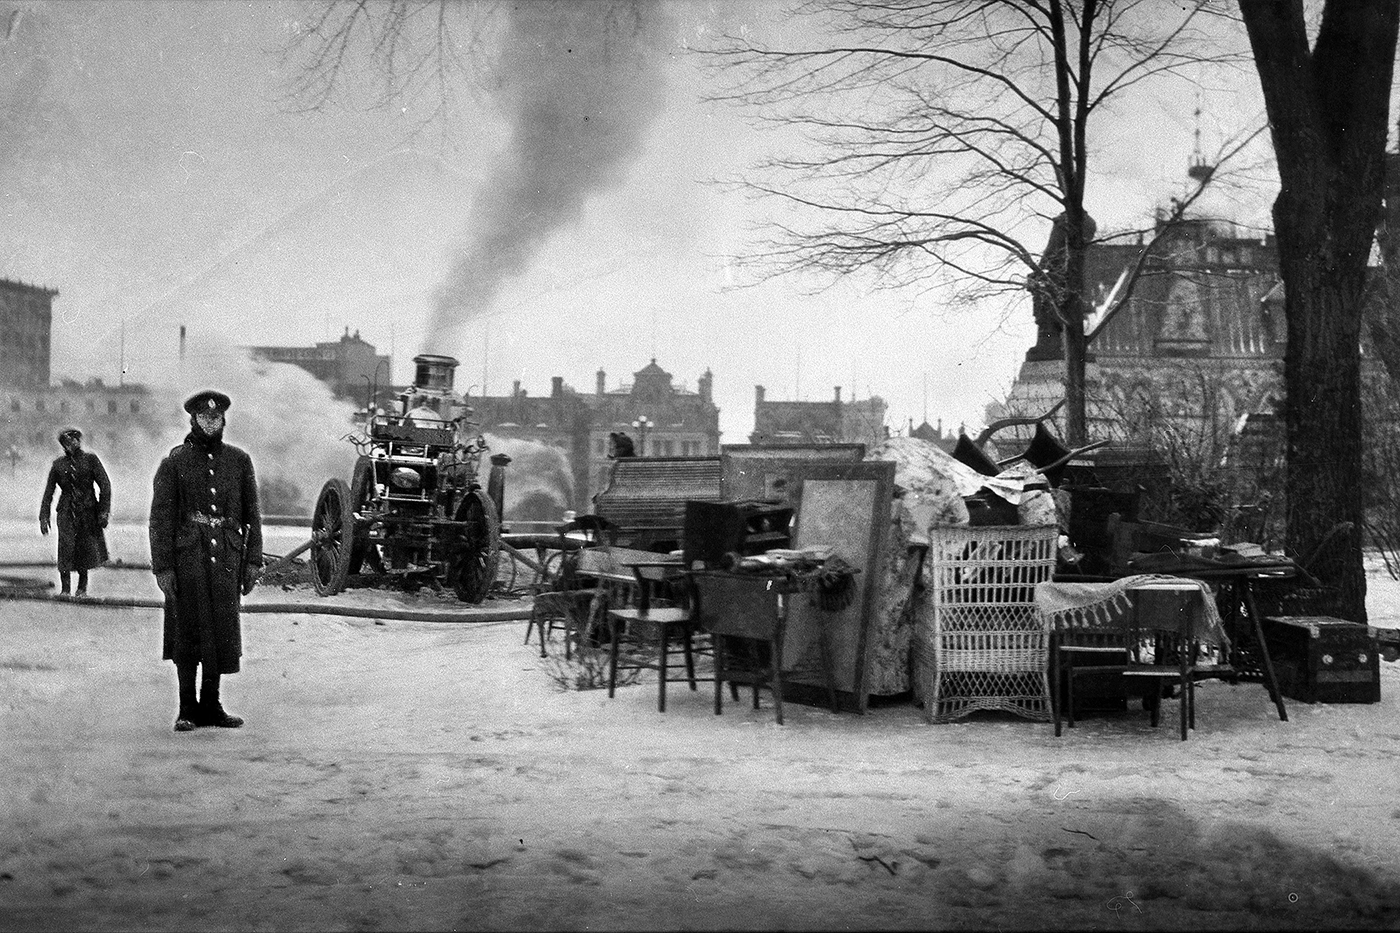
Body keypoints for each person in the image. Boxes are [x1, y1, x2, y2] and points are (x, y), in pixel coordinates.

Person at [148, 390, 263, 733]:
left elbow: (252, 516)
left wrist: (253, 560)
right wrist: (163, 566)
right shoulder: (175, 462)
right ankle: (187, 708)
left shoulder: (239, 461)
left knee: (220, 631)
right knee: (187, 631)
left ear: (223, 420)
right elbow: (160, 519)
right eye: (203, 417)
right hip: (188, 559)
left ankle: (211, 705)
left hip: (227, 558)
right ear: (193, 420)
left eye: (216, 418)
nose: (210, 422)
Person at [39, 428, 111, 597]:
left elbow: (105, 485)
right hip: (66, 512)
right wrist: (44, 517)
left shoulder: (90, 460)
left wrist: (103, 511)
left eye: (73, 441)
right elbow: (48, 493)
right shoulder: (58, 465)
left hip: (87, 511)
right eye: (66, 442)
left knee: (84, 547)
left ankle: (82, 589)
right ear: (63, 445)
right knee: (66, 547)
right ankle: (65, 590)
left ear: (79, 441)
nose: (70, 444)